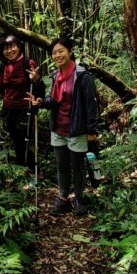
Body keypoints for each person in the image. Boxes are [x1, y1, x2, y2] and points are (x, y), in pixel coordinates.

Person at [28, 36, 98, 216]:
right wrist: (41, 102)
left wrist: (91, 130)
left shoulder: (82, 76)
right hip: (58, 128)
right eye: (54, 53)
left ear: (70, 52)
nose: (57, 55)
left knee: (77, 166)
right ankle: (63, 198)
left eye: (61, 51)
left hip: (76, 129)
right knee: (62, 165)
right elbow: (54, 101)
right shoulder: (56, 76)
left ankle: (79, 199)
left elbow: (91, 105)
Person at [0, 34, 44, 166]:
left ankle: (32, 168)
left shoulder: (28, 63)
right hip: (8, 109)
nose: (9, 50)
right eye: (6, 48)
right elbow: (1, 88)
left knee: (22, 140)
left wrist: (36, 79)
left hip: (24, 109)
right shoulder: (4, 66)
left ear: (19, 47)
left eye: (12, 46)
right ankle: (22, 167)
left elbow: (39, 88)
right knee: (15, 139)